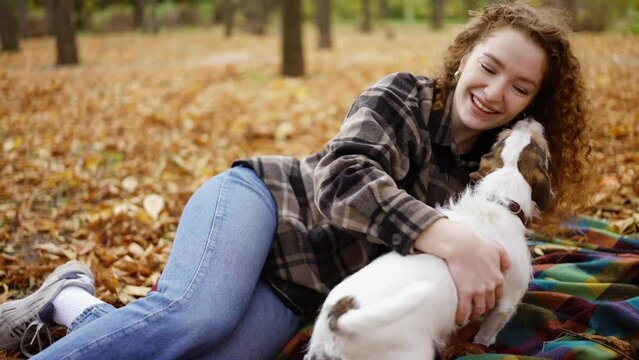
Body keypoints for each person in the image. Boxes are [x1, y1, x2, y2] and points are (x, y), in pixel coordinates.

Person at [0, 2, 590, 359]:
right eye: (489, 68)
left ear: (535, 102)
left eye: (519, 86)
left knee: (203, 353)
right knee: (194, 318)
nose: (494, 92)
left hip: (300, 288)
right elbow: (343, 178)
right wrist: (448, 236)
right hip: (260, 206)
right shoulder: (403, 95)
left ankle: (68, 301)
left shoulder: (498, 170)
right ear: (464, 58)